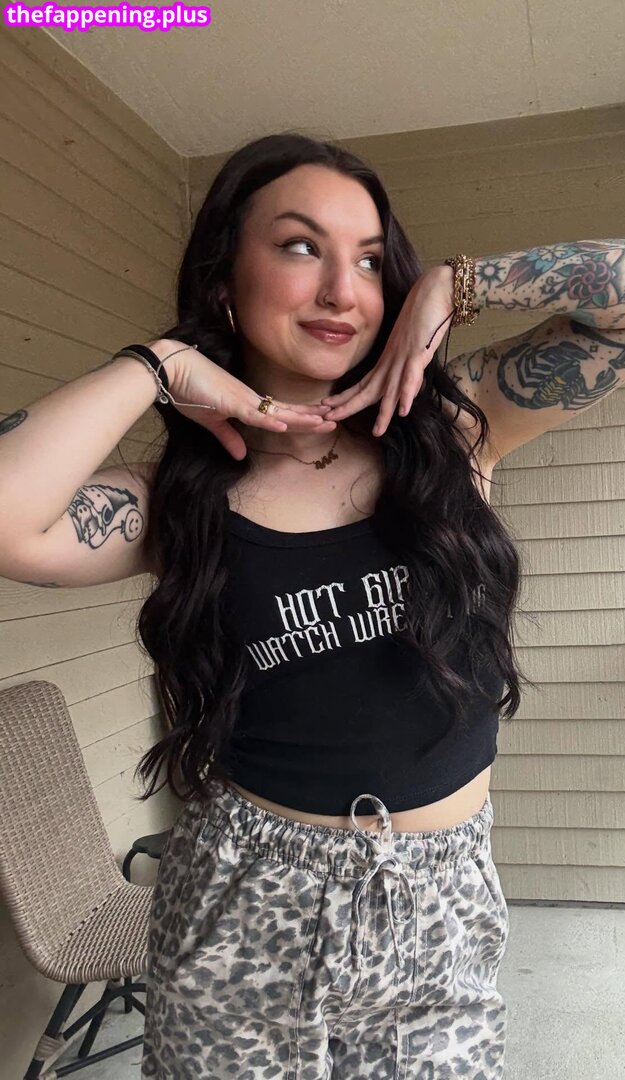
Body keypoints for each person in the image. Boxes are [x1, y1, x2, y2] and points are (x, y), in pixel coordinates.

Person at [0, 133, 527, 1078]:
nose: (341, 290)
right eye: (299, 246)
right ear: (223, 283)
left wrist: (457, 283)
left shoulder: (453, 434)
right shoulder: (179, 502)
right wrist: (158, 366)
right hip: (245, 901)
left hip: (441, 904)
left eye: (369, 260)